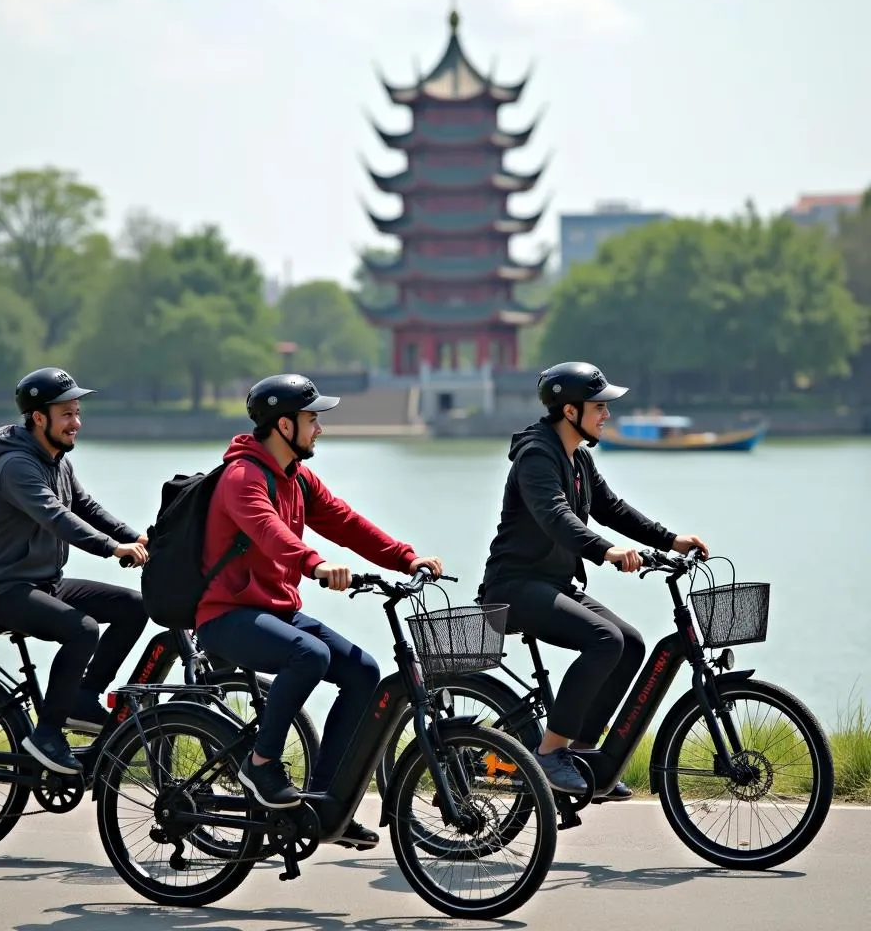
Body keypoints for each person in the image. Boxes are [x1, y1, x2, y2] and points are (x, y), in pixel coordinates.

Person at [194, 373, 444, 849]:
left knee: (363, 671)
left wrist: (405, 557)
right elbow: (268, 530)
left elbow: (346, 522)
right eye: (313, 420)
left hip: (275, 611)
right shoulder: (242, 476)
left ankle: (328, 802)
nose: (320, 429)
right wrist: (315, 563)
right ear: (284, 425)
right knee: (310, 655)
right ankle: (262, 764)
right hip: (227, 616)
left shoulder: (297, 477)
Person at [478, 361, 708, 798]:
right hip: (513, 589)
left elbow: (612, 508)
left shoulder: (578, 457)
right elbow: (555, 516)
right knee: (605, 639)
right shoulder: (537, 455)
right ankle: (550, 752)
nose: (607, 414)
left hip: (554, 584)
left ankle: (582, 755)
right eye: (599, 406)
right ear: (569, 411)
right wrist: (605, 551)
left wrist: (670, 539)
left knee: (631, 643)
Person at [0, 367, 150, 776]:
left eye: (78, 413)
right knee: (82, 628)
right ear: (38, 417)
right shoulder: (16, 467)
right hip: (2, 589)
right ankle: (47, 732)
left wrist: (137, 537)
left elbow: (86, 507)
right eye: (67, 414)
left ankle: (83, 698)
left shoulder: (57, 462)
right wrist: (112, 548)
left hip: (44, 583)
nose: (77, 423)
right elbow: (56, 517)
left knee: (133, 607)